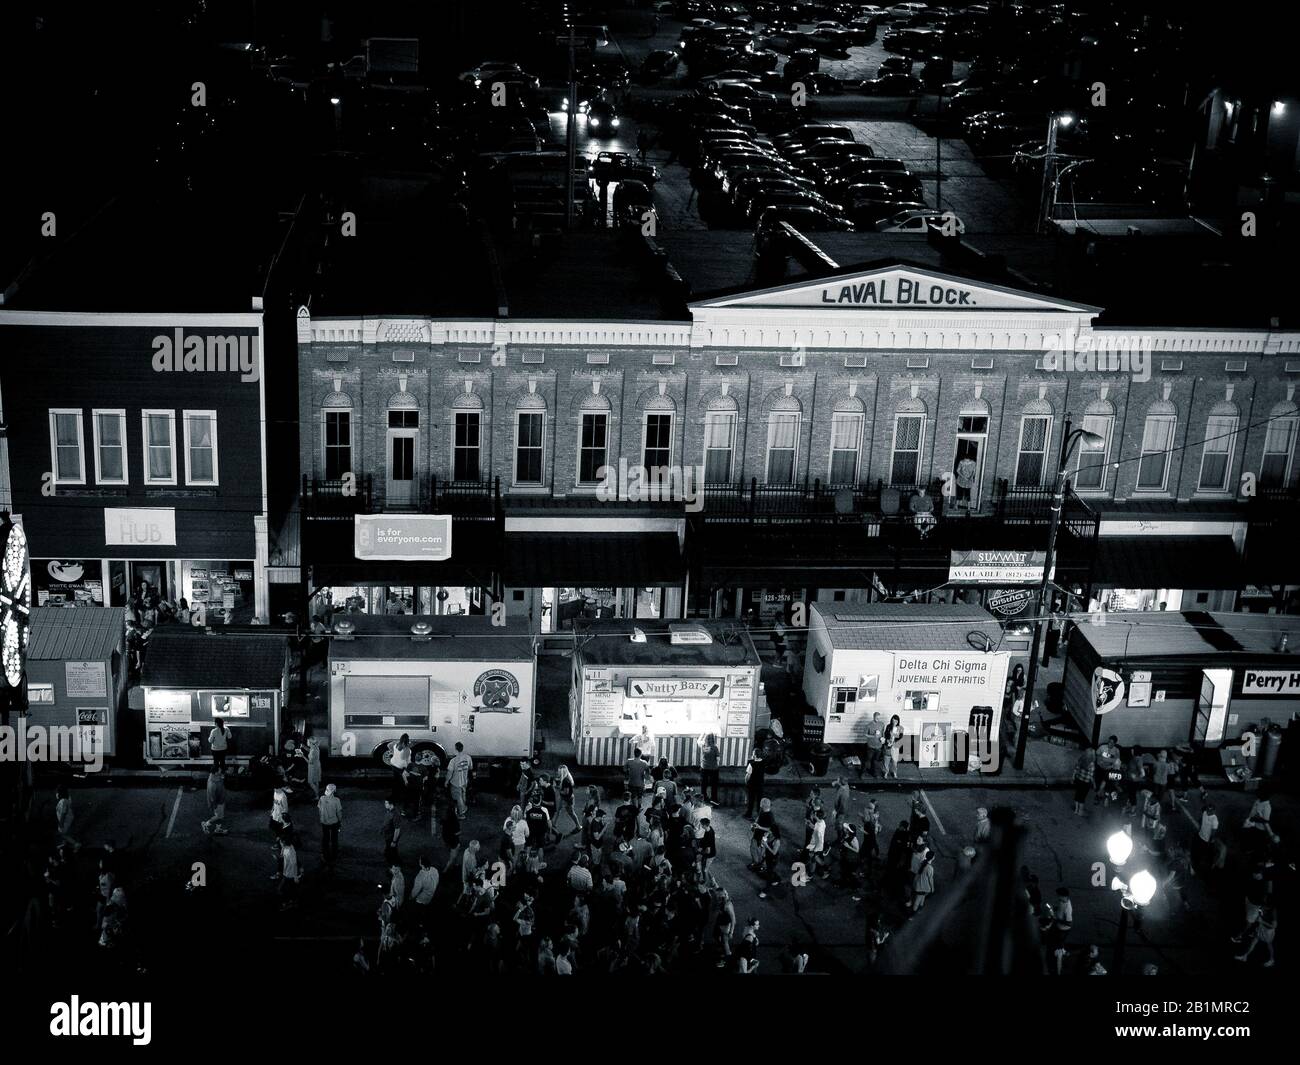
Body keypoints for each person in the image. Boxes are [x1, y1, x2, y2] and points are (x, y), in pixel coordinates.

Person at [318, 783, 343, 866]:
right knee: (334, 839)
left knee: (325, 838)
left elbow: (319, 810)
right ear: (334, 791)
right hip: (334, 822)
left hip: (324, 822)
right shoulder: (336, 800)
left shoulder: (322, 798)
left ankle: (325, 854)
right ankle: (334, 855)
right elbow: (339, 813)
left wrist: (321, 818)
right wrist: (340, 821)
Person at [447, 742, 473, 817]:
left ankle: (461, 813)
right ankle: (464, 807)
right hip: (464, 781)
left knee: (458, 797)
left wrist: (446, 781)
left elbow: (449, 773)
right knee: (463, 794)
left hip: (456, 782)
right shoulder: (468, 757)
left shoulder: (453, 760)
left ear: (456, 749)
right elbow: (470, 768)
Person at [1094, 737, 1121, 805]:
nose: (1109, 744)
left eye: (1112, 742)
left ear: (1115, 743)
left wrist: (1107, 759)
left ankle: (1100, 797)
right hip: (1100, 767)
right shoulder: (1102, 747)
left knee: (1105, 782)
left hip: (1109, 769)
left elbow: (1116, 761)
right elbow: (1097, 755)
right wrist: (1102, 759)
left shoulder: (1116, 750)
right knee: (1100, 783)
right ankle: (1099, 796)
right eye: (1109, 742)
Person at [555, 765, 580, 836]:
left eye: (559, 771)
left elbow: (566, 792)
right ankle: (554, 824)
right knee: (558, 810)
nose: (558, 772)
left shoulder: (566, 780)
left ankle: (578, 826)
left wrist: (558, 789)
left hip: (568, 799)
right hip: (563, 797)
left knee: (571, 813)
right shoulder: (563, 778)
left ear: (562, 772)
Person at [54, 786, 81, 851]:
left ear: (60, 793)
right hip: (67, 819)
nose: (56, 794)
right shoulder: (65, 800)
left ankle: (76, 844)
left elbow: (63, 812)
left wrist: (61, 823)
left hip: (65, 820)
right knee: (66, 833)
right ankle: (64, 844)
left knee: (62, 833)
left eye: (57, 793)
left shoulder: (63, 801)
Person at [202, 767, 227, 835]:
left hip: (221, 799)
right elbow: (212, 797)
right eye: (219, 770)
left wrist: (221, 778)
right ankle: (206, 824)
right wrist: (215, 806)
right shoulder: (212, 784)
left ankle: (218, 828)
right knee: (218, 817)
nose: (221, 771)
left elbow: (221, 782)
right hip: (218, 802)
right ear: (215, 772)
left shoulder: (217, 777)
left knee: (220, 817)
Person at [389, 734, 412, 804]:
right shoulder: (407, 749)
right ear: (408, 740)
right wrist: (410, 768)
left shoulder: (395, 745)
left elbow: (388, 745)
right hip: (400, 767)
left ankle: (394, 795)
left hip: (393, 764)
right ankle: (401, 797)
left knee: (396, 780)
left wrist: (393, 752)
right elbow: (406, 760)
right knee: (403, 782)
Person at [743, 747, 766, 818]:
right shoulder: (763, 762)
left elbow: (747, 776)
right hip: (760, 784)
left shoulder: (751, 764)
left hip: (752, 785)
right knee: (759, 799)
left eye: (753, 754)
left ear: (755, 755)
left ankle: (749, 814)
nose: (752, 755)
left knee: (751, 799)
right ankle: (759, 814)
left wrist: (746, 782)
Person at [698, 733, 721, 803]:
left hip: (704, 767)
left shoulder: (703, 746)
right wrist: (717, 765)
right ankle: (714, 799)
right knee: (714, 785)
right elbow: (718, 759)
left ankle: (704, 797)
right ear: (713, 739)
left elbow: (698, 741)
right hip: (713, 768)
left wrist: (703, 734)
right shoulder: (715, 747)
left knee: (703, 784)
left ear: (706, 739)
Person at [1071, 749, 1095, 816]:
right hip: (1086, 783)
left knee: (1077, 795)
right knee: (1082, 797)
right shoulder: (1091, 763)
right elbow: (1091, 775)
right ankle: (1080, 811)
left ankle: (1076, 810)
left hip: (1079, 780)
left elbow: (1076, 769)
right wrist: (1094, 783)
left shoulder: (1081, 760)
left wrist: (1073, 777)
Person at [382, 799, 402, 866]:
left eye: (386, 803)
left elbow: (397, 830)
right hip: (388, 835)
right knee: (392, 849)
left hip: (391, 836)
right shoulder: (389, 810)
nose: (385, 804)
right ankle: (395, 861)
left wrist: (394, 841)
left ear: (391, 804)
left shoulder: (396, 815)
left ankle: (394, 863)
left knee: (391, 850)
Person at [864, 712, 885, 778]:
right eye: (876, 717)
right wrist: (873, 736)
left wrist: (883, 739)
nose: (877, 719)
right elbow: (865, 734)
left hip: (878, 746)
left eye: (878, 718)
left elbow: (882, 733)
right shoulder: (869, 725)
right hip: (871, 746)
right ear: (873, 717)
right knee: (867, 760)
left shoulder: (882, 724)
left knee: (875, 761)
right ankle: (863, 773)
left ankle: (874, 773)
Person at [304, 736, 323, 800]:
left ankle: (317, 794)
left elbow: (310, 762)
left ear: (310, 742)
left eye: (308, 741)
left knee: (311, 782)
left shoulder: (312, 751)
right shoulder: (315, 747)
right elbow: (310, 750)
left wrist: (302, 756)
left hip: (313, 767)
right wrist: (304, 747)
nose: (307, 742)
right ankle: (317, 796)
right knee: (316, 781)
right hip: (317, 765)